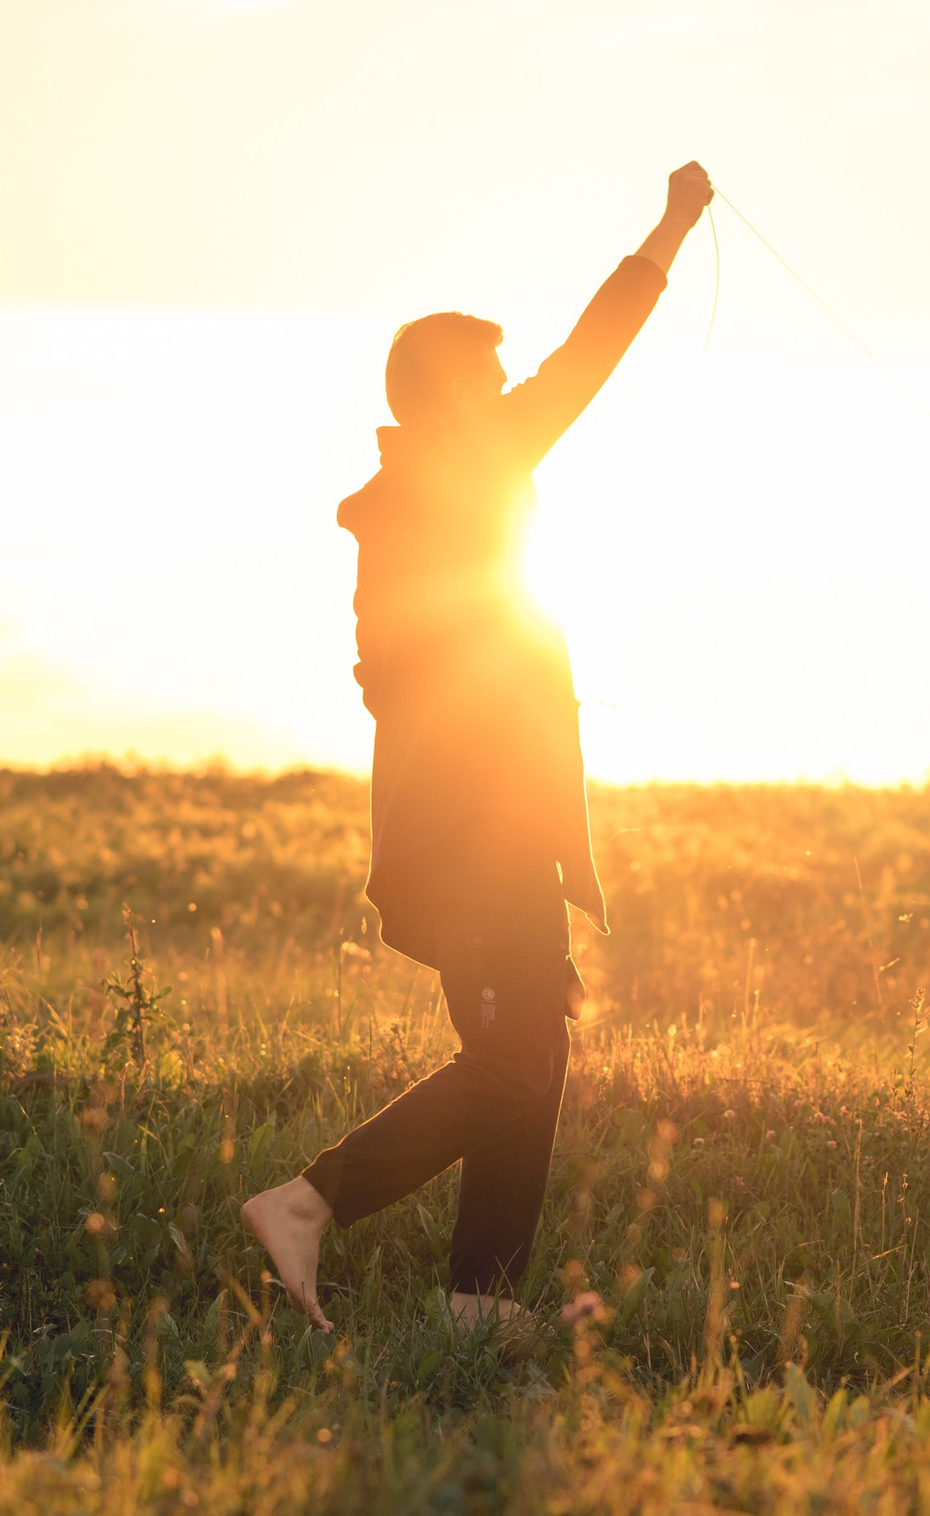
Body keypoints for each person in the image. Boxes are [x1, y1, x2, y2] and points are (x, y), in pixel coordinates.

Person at [244, 162, 715, 1334]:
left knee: (531, 1057)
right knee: (512, 1063)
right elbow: (585, 360)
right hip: (471, 829)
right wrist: (670, 225)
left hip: (485, 822)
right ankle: (309, 1200)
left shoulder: (409, 505)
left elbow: (388, 669)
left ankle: (479, 1307)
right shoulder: (461, 470)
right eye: (493, 381)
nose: (512, 394)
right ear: (453, 398)